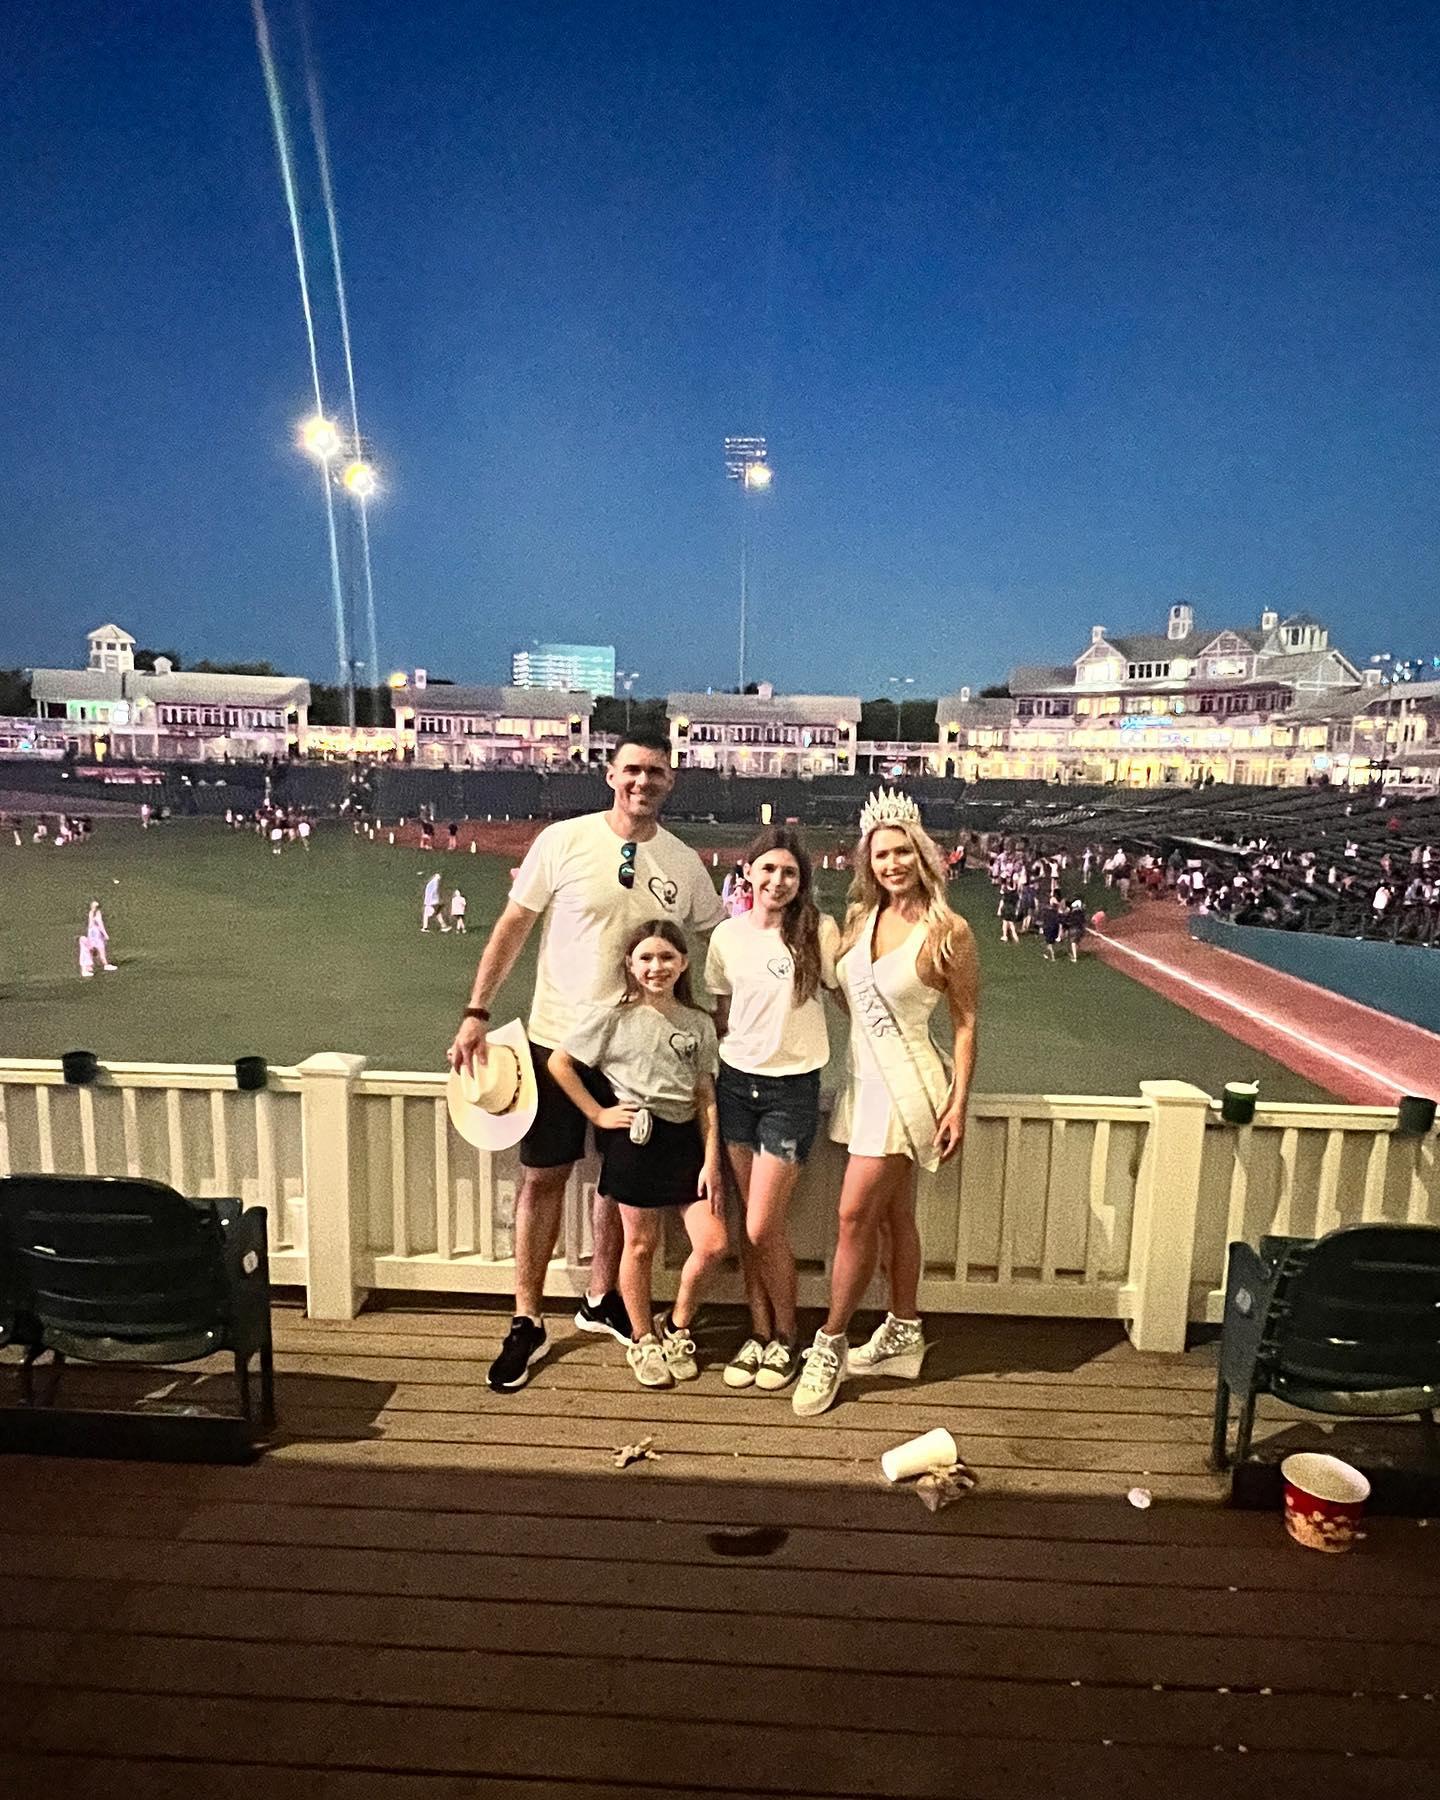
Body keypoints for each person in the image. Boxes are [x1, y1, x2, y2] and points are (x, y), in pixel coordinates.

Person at [447, 730, 725, 1392]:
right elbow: (513, 926)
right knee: (543, 1179)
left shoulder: (684, 863)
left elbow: (718, 942)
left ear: (670, 782)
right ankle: (526, 1319)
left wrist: (739, 1016)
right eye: (632, 769)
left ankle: (603, 1300)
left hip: (639, 1053)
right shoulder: (564, 840)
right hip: (559, 1042)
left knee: (620, 1186)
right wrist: (477, 1011)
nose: (643, 781)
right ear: (611, 773)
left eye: (656, 772)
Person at [793, 789, 979, 1419]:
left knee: (852, 1218)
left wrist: (957, 1104)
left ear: (922, 854)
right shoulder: (858, 920)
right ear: (867, 862)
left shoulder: (947, 931)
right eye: (881, 856)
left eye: (902, 852)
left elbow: (965, 1022)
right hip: (863, 1084)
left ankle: (830, 1345)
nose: (891, 864)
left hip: (910, 1091)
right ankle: (904, 1328)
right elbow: (848, 995)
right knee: (896, 1219)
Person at [548, 920, 725, 1388]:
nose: (656, 967)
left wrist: (711, 1160)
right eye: (645, 958)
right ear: (630, 965)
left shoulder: (697, 1022)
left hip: (686, 1142)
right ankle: (643, 1338)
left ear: (684, 963)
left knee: (712, 1244)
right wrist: (599, 1114)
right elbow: (560, 1062)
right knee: (640, 1245)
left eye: (667, 957)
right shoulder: (613, 1016)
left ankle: (677, 1326)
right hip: (636, 1142)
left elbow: (706, 1095)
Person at [706, 827, 839, 1392]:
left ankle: (788, 1338)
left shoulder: (818, 932)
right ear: (749, 872)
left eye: (789, 873)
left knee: (764, 1225)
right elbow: (720, 1011)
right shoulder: (727, 937)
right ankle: (758, 1336)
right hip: (736, 1085)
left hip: (790, 1092)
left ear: (800, 880)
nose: (777, 881)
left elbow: (849, 992)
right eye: (768, 870)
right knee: (747, 1229)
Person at [86, 900, 117, 972]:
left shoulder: (90, 913)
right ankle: (105, 965)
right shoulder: (97, 914)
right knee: (101, 949)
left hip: (91, 933)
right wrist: (105, 934)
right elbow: (100, 925)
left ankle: (88, 966)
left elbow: (90, 925)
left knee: (92, 950)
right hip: (96, 933)